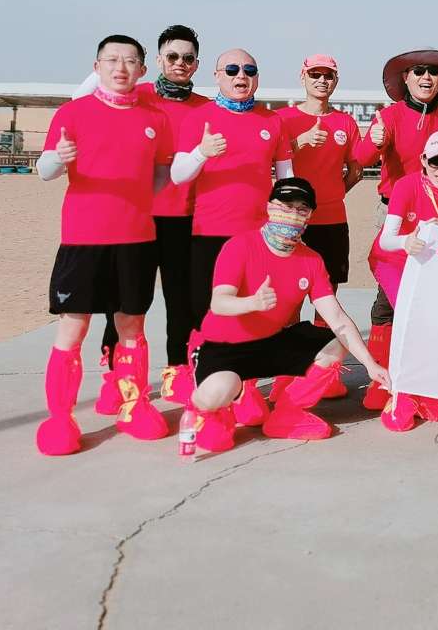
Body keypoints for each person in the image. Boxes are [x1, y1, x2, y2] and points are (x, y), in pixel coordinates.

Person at [35, 34, 175, 455]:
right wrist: (59, 157)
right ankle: (61, 418)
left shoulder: (156, 119)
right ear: (97, 67)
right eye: (112, 60)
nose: (121, 68)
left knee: (132, 326)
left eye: (130, 61)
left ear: (142, 70)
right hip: (83, 239)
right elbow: (45, 170)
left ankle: (133, 406)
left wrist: (135, 203)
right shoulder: (73, 113)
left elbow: (161, 174)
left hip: (136, 238)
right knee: (74, 326)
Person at [185, 178, 389, 452]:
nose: (293, 215)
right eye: (286, 206)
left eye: (301, 209)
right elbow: (219, 303)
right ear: (270, 207)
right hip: (221, 345)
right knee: (218, 414)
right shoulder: (240, 246)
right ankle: (207, 407)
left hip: (268, 343)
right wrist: (252, 303)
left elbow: (337, 318)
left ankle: (287, 413)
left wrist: (370, 364)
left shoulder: (311, 260)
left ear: (310, 215)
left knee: (333, 344)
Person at [171, 48, 293, 427]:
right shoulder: (199, 118)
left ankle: (246, 388)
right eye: (233, 69)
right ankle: (209, 396)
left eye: (250, 70)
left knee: (253, 313)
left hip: (257, 238)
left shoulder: (272, 121)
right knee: (208, 315)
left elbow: (286, 180)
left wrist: (286, 226)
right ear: (217, 75)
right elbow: (178, 174)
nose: (242, 76)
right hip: (210, 233)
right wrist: (201, 153)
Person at [95, 25, 209, 413]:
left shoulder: (205, 108)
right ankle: (116, 375)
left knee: (182, 301)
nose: (180, 63)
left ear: (196, 64)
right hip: (134, 218)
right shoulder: (134, 95)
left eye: (188, 58)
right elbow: (90, 103)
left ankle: (178, 371)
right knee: (126, 301)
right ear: (158, 60)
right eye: (172, 56)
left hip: (185, 219)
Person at [355, 48, 438, 399]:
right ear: (406, 77)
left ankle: (430, 373)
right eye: (419, 71)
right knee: (388, 298)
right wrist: (373, 141)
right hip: (397, 212)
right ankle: (381, 378)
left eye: (433, 71)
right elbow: (360, 159)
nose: (426, 77)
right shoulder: (388, 116)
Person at [370, 129, 438, 432]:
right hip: (394, 260)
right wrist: (407, 241)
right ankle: (392, 387)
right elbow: (387, 240)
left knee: (433, 319)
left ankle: (425, 386)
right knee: (408, 315)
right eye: (436, 162)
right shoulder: (406, 185)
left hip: (433, 264)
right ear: (423, 160)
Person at [272, 54, 362, 403]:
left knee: (327, 297)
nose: (322, 81)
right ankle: (287, 374)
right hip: (293, 223)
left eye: (328, 76)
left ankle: (324, 375)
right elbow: (270, 163)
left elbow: (355, 170)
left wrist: (334, 194)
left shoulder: (345, 122)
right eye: (315, 74)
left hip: (332, 220)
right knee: (290, 299)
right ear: (303, 77)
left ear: (335, 80)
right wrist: (300, 143)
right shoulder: (284, 119)